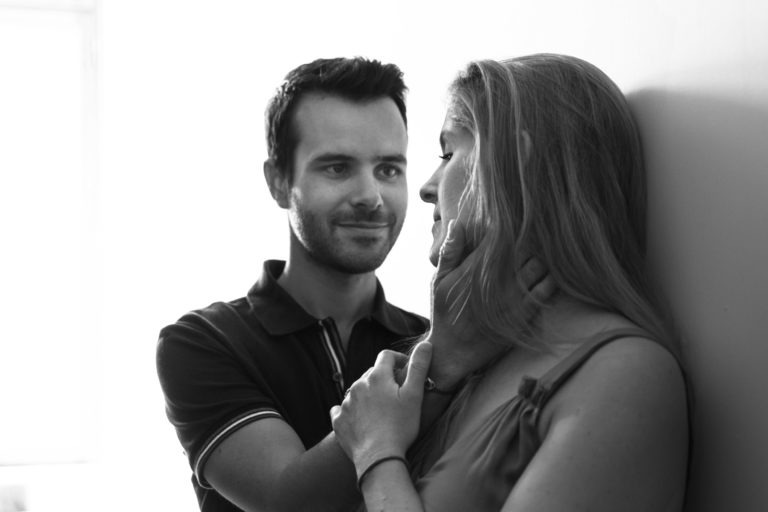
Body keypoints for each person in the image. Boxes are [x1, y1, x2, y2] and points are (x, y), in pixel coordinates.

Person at [156, 56, 554, 512]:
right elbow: (284, 501)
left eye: (388, 168)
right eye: (337, 168)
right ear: (279, 182)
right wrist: (446, 361)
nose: (370, 196)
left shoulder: (437, 338)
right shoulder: (203, 342)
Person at [331, 53, 691, 512]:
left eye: (448, 153)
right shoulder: (474, 360)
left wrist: (376, 457)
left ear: (515, 165)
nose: (425, 186)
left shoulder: (627, 373)